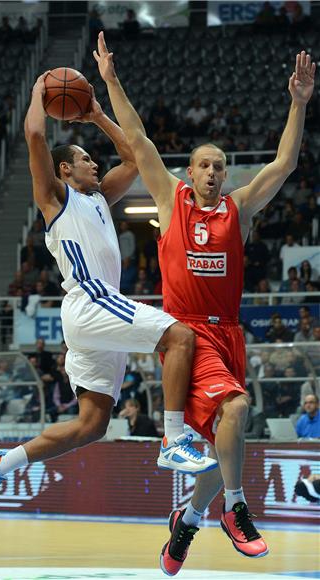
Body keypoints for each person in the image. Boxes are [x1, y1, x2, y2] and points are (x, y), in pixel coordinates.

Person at [94, 32, 315, 570]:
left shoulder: (239, 208)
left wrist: (299, 102)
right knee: (237, 409)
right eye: (204, 166)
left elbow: (284, 162)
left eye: (220, 166)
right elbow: (141, 139)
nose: (214, 172)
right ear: (189, 174)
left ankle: (185, 524)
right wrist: (112, 81)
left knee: (222, 450)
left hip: (229, 334)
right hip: (187, 338)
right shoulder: (171, 201)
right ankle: (236, 510)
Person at [0, 73, 217, 511]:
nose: (94, 164)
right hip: (89, 301)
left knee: (93, 424)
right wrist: (39, 91)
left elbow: (133, 160)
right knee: (180, 337)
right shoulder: (56, 198)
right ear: (65, 169)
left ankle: (0, 462)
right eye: (85, 159)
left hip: (95, 320)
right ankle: (174, 438)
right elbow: (35, 133)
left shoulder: (99, 197)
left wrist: (98, 114)